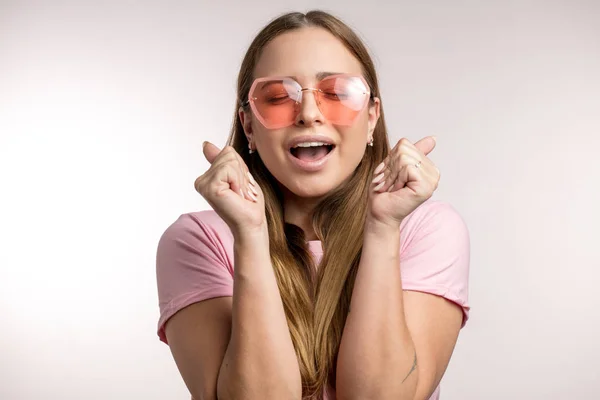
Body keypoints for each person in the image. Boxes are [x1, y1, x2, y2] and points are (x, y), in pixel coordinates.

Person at [155, 9, 470, 400]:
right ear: (249, 126)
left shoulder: (427, 229)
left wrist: (383, 227)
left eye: (337, 93)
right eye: (277, 97)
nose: (308, 113)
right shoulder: (199, 240)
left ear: (372, 117)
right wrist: (251, 236)